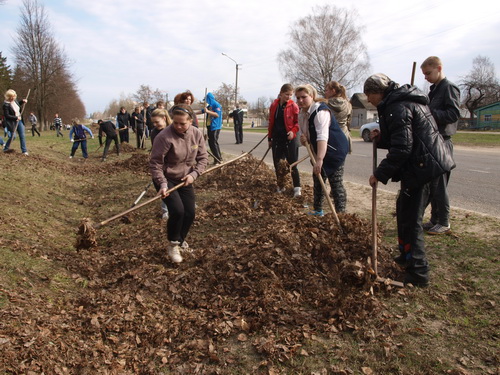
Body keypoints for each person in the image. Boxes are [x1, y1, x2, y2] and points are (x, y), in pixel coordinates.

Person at [364, 73, 455, 287]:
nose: (368, 100)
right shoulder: (399, 103)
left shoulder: (398, 107)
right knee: (403, 210)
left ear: (379, 92)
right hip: (423, 164)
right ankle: (406, 256)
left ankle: (419, 273)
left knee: (412, 219)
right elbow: (405, 136)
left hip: (424, 167)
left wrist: (380, 173)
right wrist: (382, 137)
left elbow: (403, 148)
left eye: (369, 95)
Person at [150, 104, 208, 263]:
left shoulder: (196, 134)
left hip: (186, 178)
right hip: (166, 178)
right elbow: (155, 164)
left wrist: (194, 175)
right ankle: (173, 244)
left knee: (190, 213)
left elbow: (203, 159)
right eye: (175, 122)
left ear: (190, 121)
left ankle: (181, 240)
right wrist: (162, 184)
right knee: (177, 211)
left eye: (182, 123)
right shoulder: (164, 137)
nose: (178, 126)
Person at [420, 56, 461, 235]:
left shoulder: (449, 88)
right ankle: (435, 219)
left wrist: (429, 114)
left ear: (439, 68)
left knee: (440, 184)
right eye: (424, 74)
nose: (426, 77)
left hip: (443, 142)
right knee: (433, 184)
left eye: (428, 73)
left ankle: (444, 221)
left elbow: (453, 114)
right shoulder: (434, 90)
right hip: (434, 140)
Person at [296, 84, 348, 216]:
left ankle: (341, 215)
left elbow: (322, 137)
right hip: (318, 150)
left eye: (304, 97)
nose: (300, 100)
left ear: (312, 96)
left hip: (335, 150)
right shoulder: (302, 114)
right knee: (318, 180)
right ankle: (318, 210)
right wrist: (304, 140)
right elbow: (306, 137)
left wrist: (319, 160)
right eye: (298, 98)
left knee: (335, 183)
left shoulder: (321, 112)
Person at [268, 84, 301, 197]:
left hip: (290, 139)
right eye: (287, 94)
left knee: (292, 163)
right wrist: (270, 138)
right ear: (281, 93)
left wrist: (293, 131)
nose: (288, 97)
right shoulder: (274, 105)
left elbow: (298, 122)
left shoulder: (294, 106)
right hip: (277, 139)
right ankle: (281, 186)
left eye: (291, 95)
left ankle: (297, 187)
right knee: (278, 164)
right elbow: (271, 122)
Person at [150, 108, 173, 220]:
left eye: (157, 122)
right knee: (163, 188)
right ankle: (165, 211)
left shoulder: (174, 128)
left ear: (164, 118)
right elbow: (156, 152)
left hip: (175, 163)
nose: (155, 124)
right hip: (163, 164)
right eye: (153, 122)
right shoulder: (154, 133)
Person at [325, 81, 352, 153]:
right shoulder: (348, 104)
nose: (325, 92)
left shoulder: (325, 104)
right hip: (344, 135)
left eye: (326, 90)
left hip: (330, 136)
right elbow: (348, 122)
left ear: (333, 91)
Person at [2, 89, 29, 155]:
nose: (12, 98)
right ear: (8, 97)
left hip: (19, 121)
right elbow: (7, 115)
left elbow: (17, 106)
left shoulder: (15, 101)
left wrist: (22, 101)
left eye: (13, 96)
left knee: (22, 135)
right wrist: (16, 117)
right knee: (13, 136)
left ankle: (24, 151)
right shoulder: (5, 105)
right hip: (11, 122)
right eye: (11, 97)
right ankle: (6, 148)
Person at [202, 92, 223, 164]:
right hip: (210, 126)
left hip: (215, 126)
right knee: (211, 142)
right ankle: (215, 158)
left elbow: (217, 115)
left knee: (214, 143)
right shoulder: (209, 106)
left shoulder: (216, 105)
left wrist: (207, 111)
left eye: (206, 99)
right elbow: (202, 111)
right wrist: (192, 113)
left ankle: (218, 159)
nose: (206, 101)